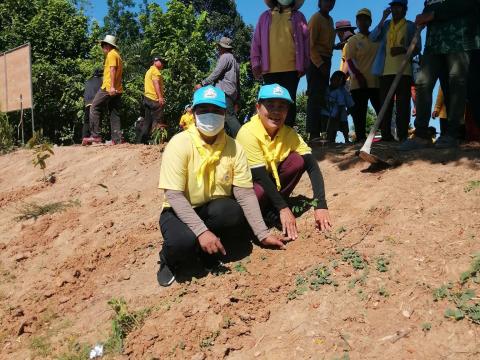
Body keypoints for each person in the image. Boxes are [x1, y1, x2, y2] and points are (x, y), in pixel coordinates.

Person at [157, 86, 286, 287]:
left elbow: (244, 193)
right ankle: (168, 258)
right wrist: (201, 231)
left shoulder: (234, 148)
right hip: (178, 210)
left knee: (232, 212)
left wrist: (262, 233)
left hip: (212, 209)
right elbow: (173, 196)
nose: (210, 115)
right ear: (193, 113)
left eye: (216, 110)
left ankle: (208, 251)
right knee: (182, 243)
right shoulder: (179, 144)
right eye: (203, 110)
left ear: (225, 114)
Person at [236, 84, 332, 242]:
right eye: (270, 105)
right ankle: (258, 217)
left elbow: (312, 165)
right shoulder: (247, 133)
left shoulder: (289, 133)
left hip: (268, 185)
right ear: (258, 107)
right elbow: (259, 176)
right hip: (248, 190)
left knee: (297, 160)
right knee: (258, 191)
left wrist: (320, 204)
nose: (276, 111)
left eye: (282, 106)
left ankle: (270, 209)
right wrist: (283, 208)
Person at [401, 0, 479, 150]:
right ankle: (421, 134)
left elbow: (469, 4)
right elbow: (429, 7)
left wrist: (434, 14)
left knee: (457, 82)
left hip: (459, 40)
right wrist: (424, 15)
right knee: (423, 82)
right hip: (434, 43)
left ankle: (452, 134)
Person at [251, 0, 309, 127]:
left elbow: (306, 42)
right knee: (270, 103)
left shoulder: (299, 17)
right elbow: (256, 42)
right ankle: (271, 134)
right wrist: (255, 64)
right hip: (269, 69)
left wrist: (304, 64)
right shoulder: (265, 17)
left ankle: (287, 136)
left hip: (292, 68)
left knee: (288, 102)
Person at [370, 0, 421, 142]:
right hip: (385, 71)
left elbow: (418, 47)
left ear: (405, 9)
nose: (395, 10)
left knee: (403, 105)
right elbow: (373, 37)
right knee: (385, 105)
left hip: (404, 72)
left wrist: (403, 49)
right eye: (393, 7)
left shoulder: (410, 26)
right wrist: (382, 18)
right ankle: (386, 136)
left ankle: (403, 136)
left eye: (399, 7)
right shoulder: (386, 25)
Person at [344, 8, 381, 143]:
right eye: (359, 19)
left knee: (381, 110)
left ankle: (387, 135)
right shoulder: (353, 40)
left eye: (365, 18)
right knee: (359, 113)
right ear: (356, 22)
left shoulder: (377, 39)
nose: (362, 21)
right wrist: (359, 77)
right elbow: (350, 61)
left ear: (370, 21)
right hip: (358, 84)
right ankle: (360, 138)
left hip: (376, 82)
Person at [197, 37, 241, 137]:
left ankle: (242, 139)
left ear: (223, 47)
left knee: (229, 116)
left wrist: (203, 83)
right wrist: (237, 99)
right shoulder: (235, 61)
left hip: (224, 91)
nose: (218, 49)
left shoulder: (225, 57)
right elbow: (238, 82)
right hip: (232, 93)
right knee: (222, 117)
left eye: (219, 47)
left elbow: (216, 72)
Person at [306, 0, 336, 140]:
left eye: (333, 1)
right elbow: (309, 44)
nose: (330, 3)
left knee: (322, 96)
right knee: (315, 95)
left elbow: (327, 43)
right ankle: (313, 133)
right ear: (320, 2)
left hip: (326, 60)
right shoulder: (316, 18)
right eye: (326, 0)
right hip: (315, 61)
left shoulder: (330, 20)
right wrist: (319, 64)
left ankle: (320, 132)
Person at [87, 35, 123, 145]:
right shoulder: (118, 55)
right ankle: (116, 139)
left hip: (108, 88)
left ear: (107, 46)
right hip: (118, 89)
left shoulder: (111, 54)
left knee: (94, 108)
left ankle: (96, 136)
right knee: (114, 112)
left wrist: (111, 87)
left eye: (103, 45)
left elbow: (112, 70)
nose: (102, 48)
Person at [137, 57, 166, 144]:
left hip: (147, 98)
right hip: (154, 99)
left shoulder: (148, 71)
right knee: (157, 121)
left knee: (147, 122)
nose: (163, 64)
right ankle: (156, 142)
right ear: (155, 61)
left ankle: (141, 142)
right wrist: (160, 97)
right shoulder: (155, 71)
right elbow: (155, 83)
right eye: (161, 61)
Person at [321, 71, 354, 143]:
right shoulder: (325, 89)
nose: (338, 82)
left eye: (340, 81)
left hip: (338, 115)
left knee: (342, 127)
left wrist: (340, 114)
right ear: (331, 79)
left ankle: (346, 139)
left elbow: (343, 105)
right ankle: (327, 140)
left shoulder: (340, 92)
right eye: (336, 80)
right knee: (326, 127)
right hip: (325, 113)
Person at [81, 69, 102, 144]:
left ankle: (84, 138)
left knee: (86, 121)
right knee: (97, 120)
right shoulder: (101, 81)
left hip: (87, 103)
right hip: (95, 103)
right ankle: (96, 138)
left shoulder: (88, 81)